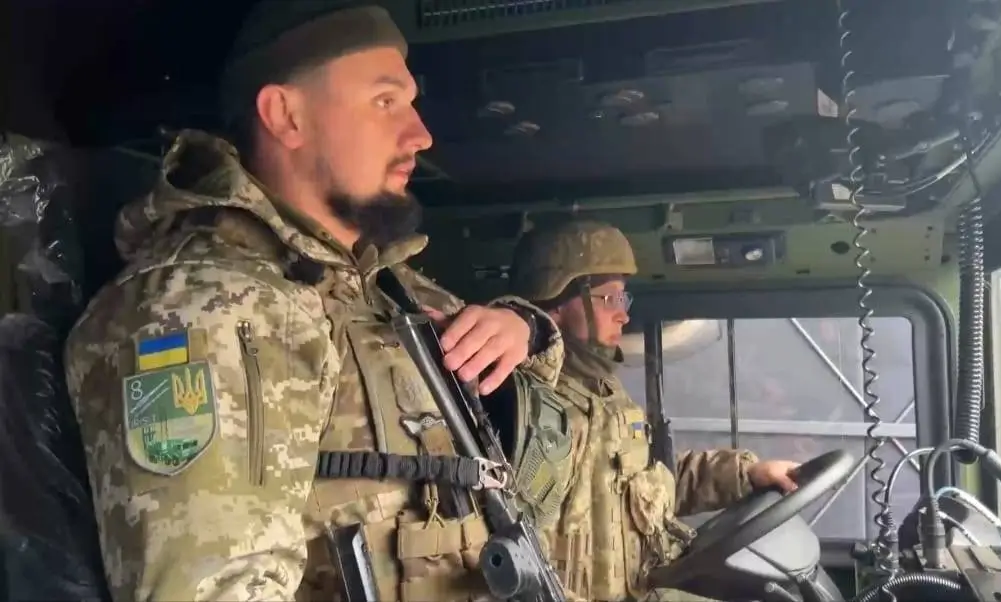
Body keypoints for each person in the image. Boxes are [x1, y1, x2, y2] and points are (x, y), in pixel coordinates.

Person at [63, 3, 569, 601]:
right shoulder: (208, 307)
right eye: (386, 102)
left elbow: (547, 391)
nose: (420, 134)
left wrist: (525, 326)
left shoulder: (381, 283)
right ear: (286, 115)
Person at [504, 219, 802, 602]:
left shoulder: (606, 394)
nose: (623, 315)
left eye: (623, 300)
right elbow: (511, 547)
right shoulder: (523, 404)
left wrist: (748, 473)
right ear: (556, 304)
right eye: (608, 299)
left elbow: (651, 482)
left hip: (646, 587)